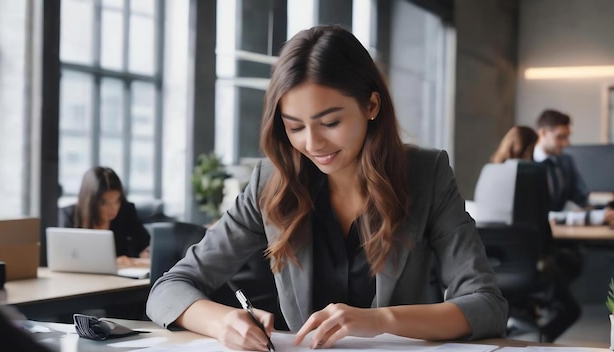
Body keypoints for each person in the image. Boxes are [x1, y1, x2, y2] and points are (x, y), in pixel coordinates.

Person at [147, 25, 507, 350]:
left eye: (330, 122)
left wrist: (379, 321)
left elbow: (486, 305)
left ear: (371, 105)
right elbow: (168, 289)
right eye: (294, 127)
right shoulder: (271, 182)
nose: (313, 143)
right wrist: (222, 321)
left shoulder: (426, 174)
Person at [477, 125, 581, 342]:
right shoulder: (534, 173)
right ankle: (537, 337)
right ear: (531, 147)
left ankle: (519, 321)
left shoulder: (488, 172)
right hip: (529, 267)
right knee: (571, 307)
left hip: (491, 267)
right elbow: (543, 229)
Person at [533, 109, 614, 226]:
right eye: (560, 137)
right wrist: (593, 216)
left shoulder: (566, 161)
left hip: (563, 231)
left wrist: (604, 209)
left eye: (567, 137)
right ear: (543, 133)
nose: (566, 144)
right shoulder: (526, 162)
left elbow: (580, 200)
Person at [59, 166, 151, 265]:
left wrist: (146, 253)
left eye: (117, 201)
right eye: (104, 203)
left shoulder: (126, 211)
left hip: (122, 277)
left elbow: (144, 245)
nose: (113, 208)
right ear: (90, 202)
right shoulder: (70, 215)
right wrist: (112, 262)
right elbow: (65, 257)